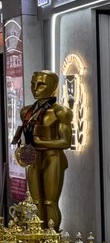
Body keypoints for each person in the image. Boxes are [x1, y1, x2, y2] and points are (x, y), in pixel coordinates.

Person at [12, 71, 71, 231]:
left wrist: (41, 142)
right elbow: (25, 136)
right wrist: (21, 150)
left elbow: (66, 142)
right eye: (33, 84)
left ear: (53, 86)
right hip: (34, 158)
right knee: (35, 201)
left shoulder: (61, 112)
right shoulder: (26, 112)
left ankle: (52, 238)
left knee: (50, 201)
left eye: (41, 84)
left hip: (53, 158)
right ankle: (38, 238)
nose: (35, 88)